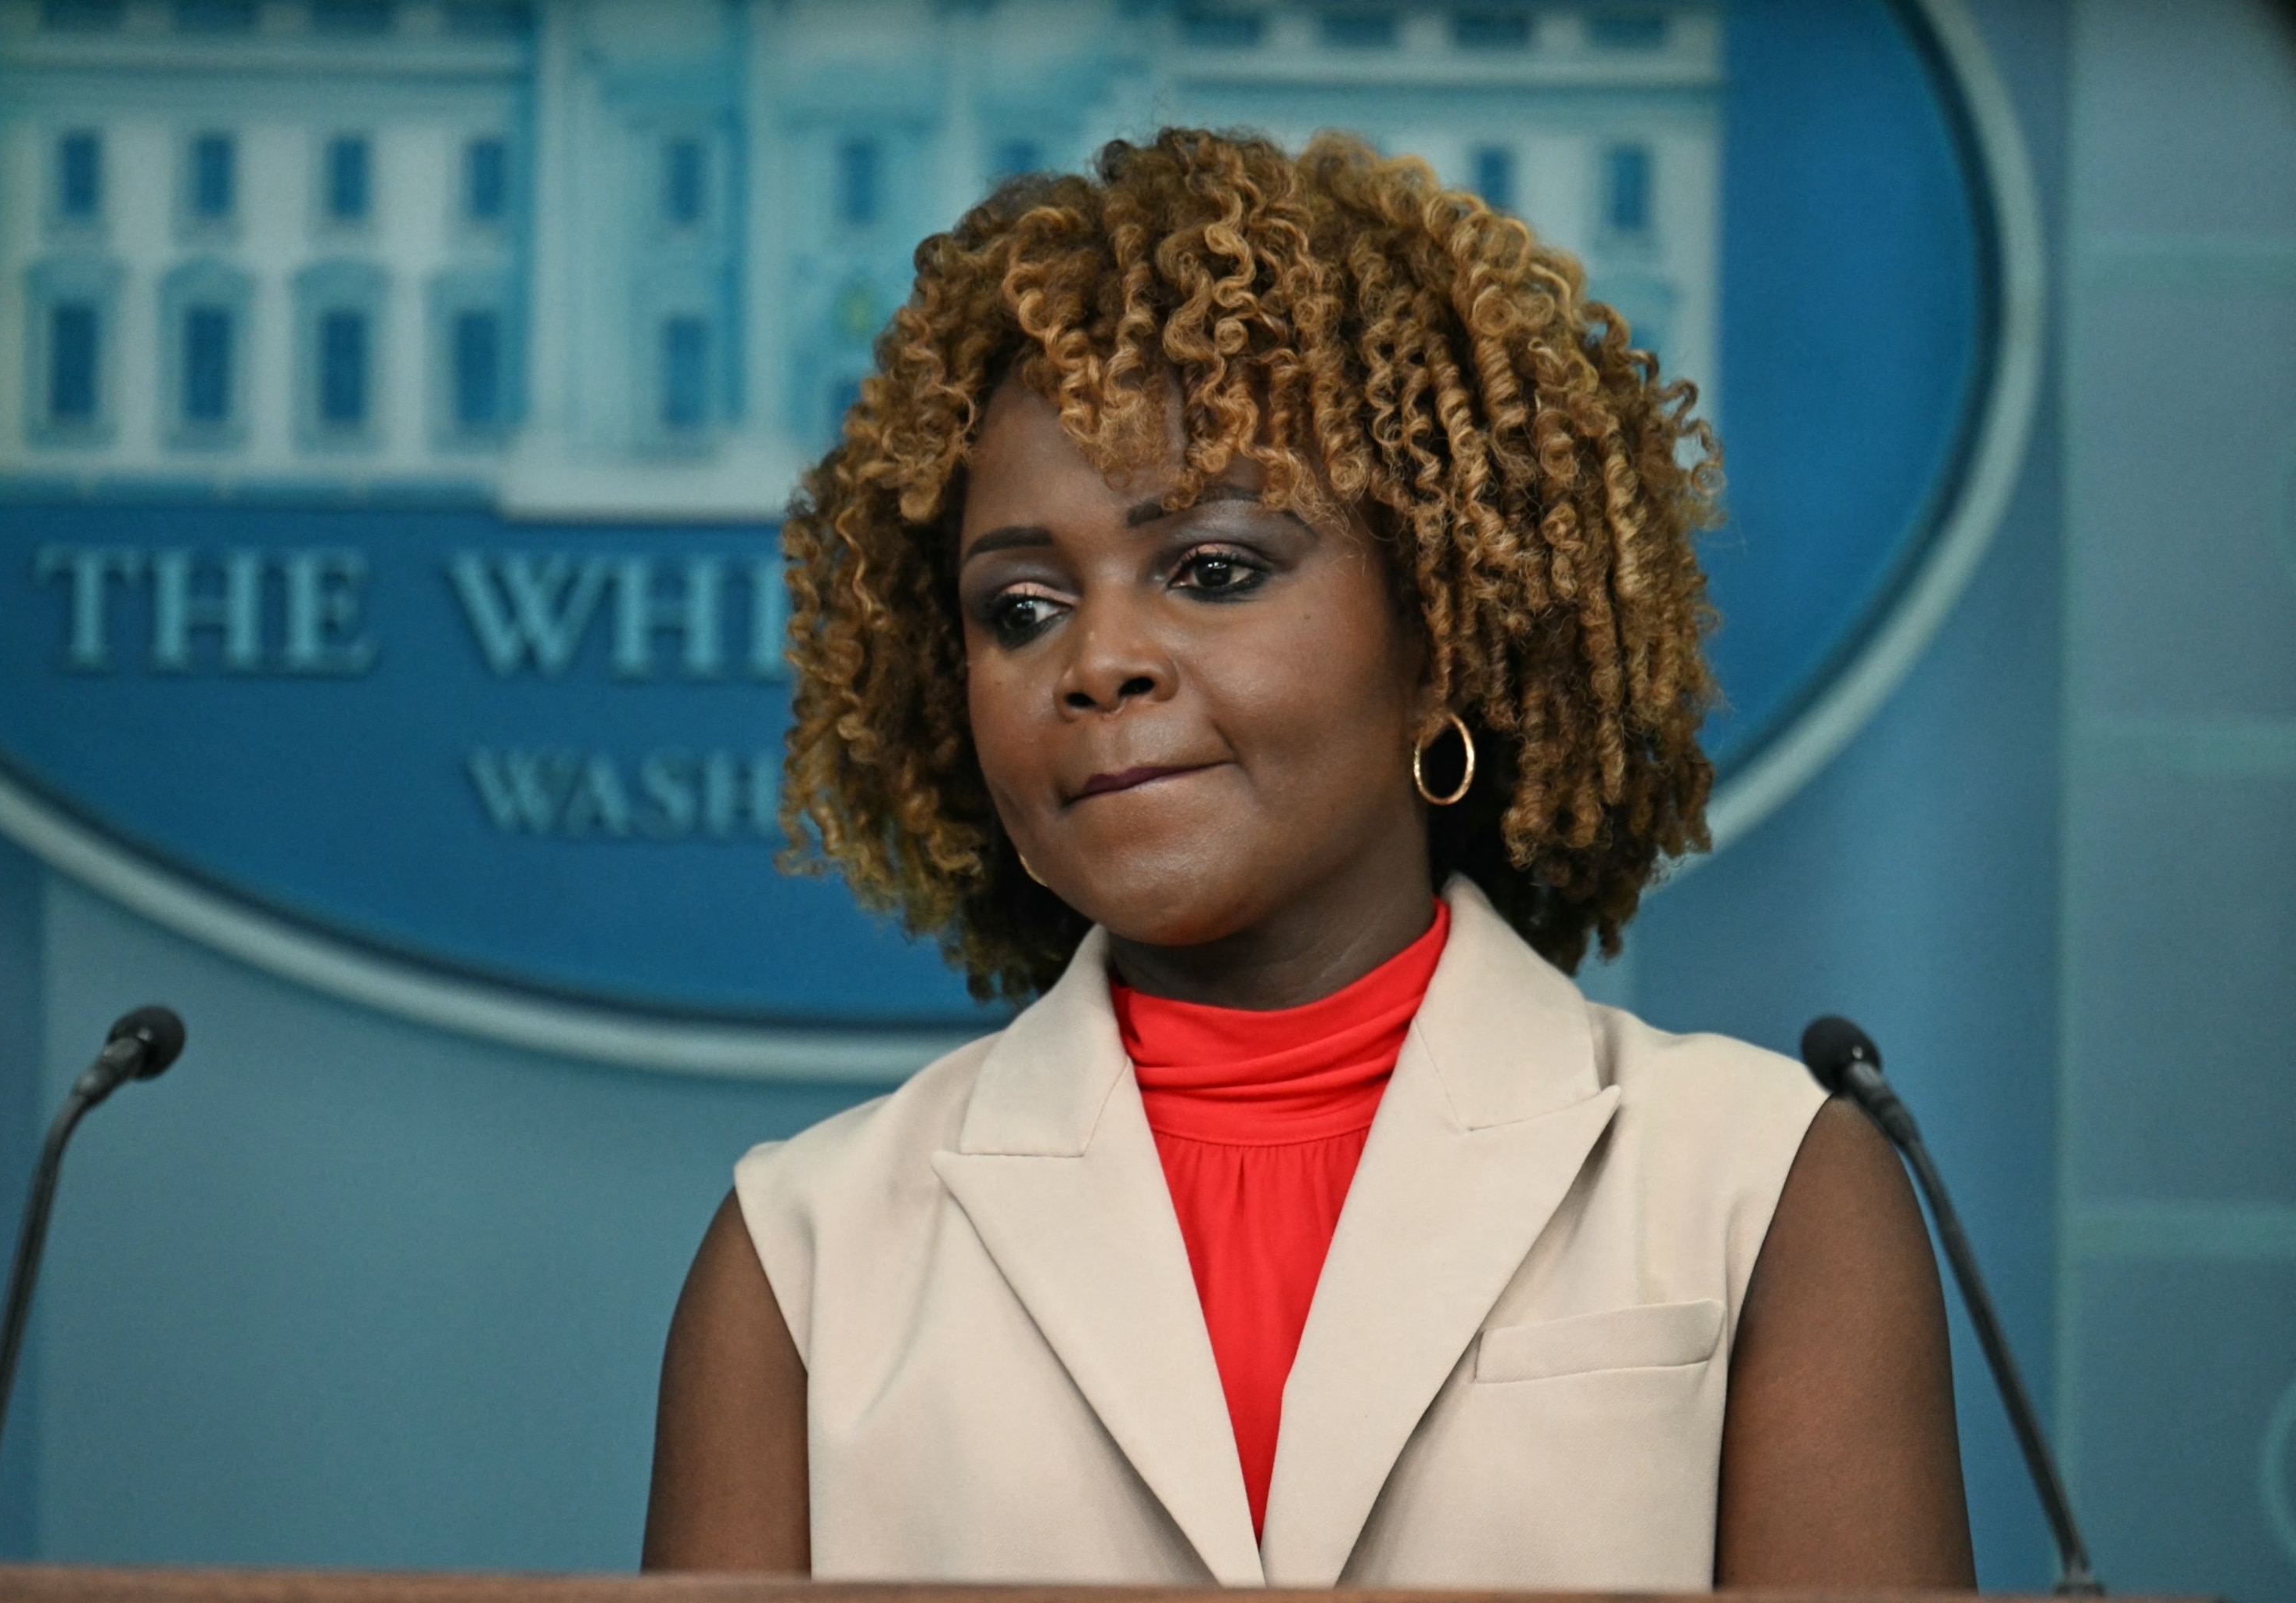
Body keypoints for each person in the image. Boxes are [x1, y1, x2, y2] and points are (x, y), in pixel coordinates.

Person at [642, 128, 1974, 1590]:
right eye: (1017, 608)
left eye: (1213, 571)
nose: (1096, 663)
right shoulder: (805, 1252)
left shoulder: (1761, 1183)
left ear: (1438, 638)